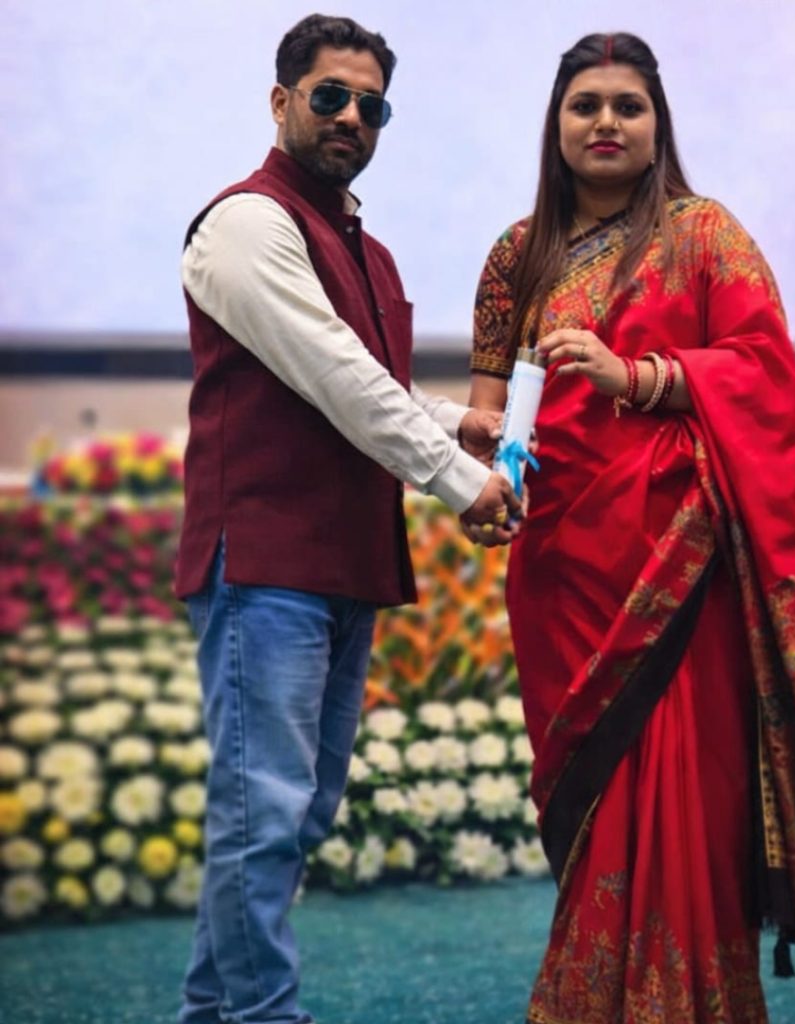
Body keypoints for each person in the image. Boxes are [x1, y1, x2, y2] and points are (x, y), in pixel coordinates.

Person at [469, 31, 795, 1023]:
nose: (606, 122)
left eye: (628, 105)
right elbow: (493, 410)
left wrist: (635, 376)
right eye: (585, 105)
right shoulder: (517, 256)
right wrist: (477, 480)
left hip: (679, 568)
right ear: (555, 123)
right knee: (594, 792)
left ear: (659, 124)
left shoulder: (707, 237)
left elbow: (768, 377)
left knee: (680, 792)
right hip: (562, 568)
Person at [175, 14, 518, 1024]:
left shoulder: (365, 246)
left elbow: (374, 388)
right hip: (265, 562)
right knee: (265, 816)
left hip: (338, 563)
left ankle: (212, 1013)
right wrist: (458, 479)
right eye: (330, 96)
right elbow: (337, 377)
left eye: (372, 106)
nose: (351, 118)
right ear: (281, 101)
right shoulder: (246, 223)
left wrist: (461, 425)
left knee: (294, 813)